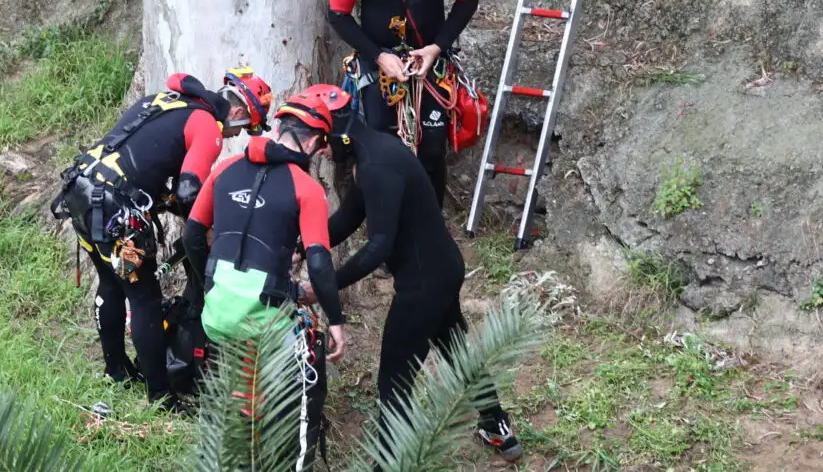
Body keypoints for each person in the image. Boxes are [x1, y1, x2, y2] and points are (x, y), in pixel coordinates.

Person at [297, 84, 522, 462]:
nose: (319, 150)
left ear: (336, 133)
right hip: (442, 269)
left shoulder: (375, 167)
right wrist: (301, 245)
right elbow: (348, 218)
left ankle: (390, 462)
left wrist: (324, 285)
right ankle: (497, 427)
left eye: (320, 140)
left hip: (422, 285)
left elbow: (378, 247)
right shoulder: (376, 151)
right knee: (456, 351)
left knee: (393, 382)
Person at [50, 67, 274, 410]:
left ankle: (116, 370)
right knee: (144, 300)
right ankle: (160, 396)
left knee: (111, 282)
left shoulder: (165, 100)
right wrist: (207, 228)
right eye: (243, 127)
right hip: (115, 212)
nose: (235, 135)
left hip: (80, 192)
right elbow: (188, 192)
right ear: (238, 111)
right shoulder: (207, 127)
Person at [182, 91, 347, 469]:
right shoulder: (307, 188)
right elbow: (319, 264)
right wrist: (337, 322)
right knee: (308, 381)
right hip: (263, 320)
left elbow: (192, 235)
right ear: (311, 141)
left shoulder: (225, 168)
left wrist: (211, 285)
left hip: (216, 314)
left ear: (280, 128)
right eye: (320, 143)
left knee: (234, 384)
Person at [326, 0, 480, 208]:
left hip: (429, 64)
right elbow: (338, 13)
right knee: (380, 145)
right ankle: (386, 220)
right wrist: (378, 56)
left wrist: (437, 47)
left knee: (432, 147)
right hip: (380, 65)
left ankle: (430, 220)